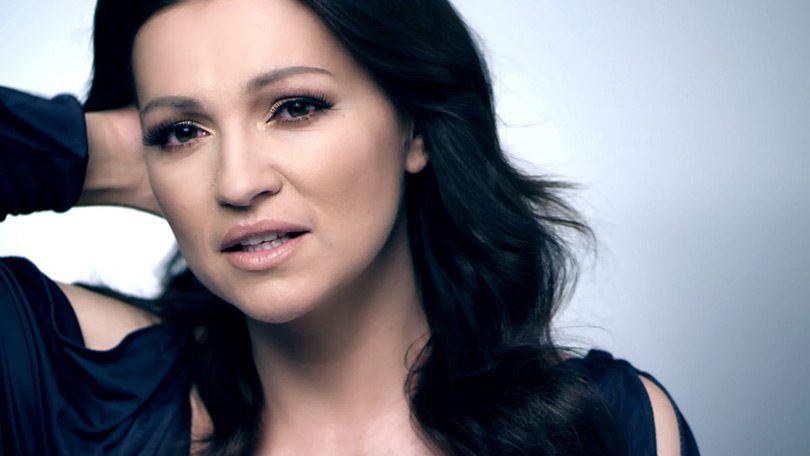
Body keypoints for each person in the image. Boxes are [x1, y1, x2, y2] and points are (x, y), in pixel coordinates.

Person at [0, 0, 700, 454]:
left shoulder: (605, 424)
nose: (237, 183)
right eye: (182, 132)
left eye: (295, 107)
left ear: (415, 128)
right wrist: (110, 155)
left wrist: (173, 138)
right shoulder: (86, 396)